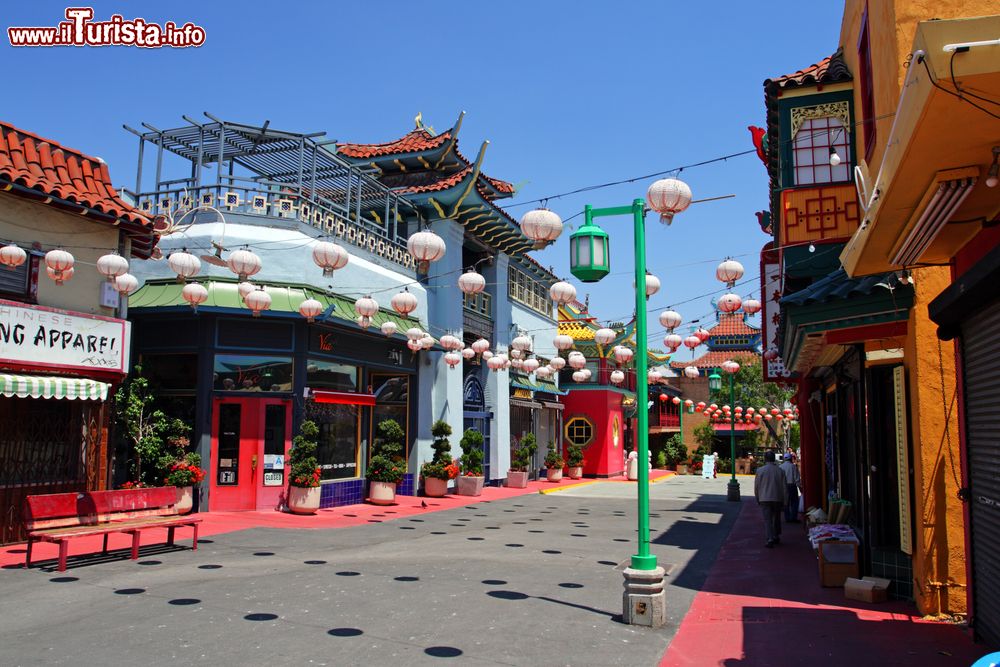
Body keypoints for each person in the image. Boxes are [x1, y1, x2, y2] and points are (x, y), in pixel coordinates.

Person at [754, 450, 786, 548]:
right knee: (776, 518)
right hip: (777, 498)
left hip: (764, 498)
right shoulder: (780, 470)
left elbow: (757, 486)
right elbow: (784, 487)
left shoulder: (760, 470)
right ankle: (776, 535)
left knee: (767, 519)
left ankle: (770, 538)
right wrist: (785, 500)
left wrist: (757, 498)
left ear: (765, 459)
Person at [779, 452, 801, 523]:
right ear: (790, 458)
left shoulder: (780, 467)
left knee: (786, 503)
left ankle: (787, 518)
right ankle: (793, 517)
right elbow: (797, 478)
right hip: (792, 486)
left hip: (783, 486)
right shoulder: (793, 466)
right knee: (794, 502)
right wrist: (799, 486)